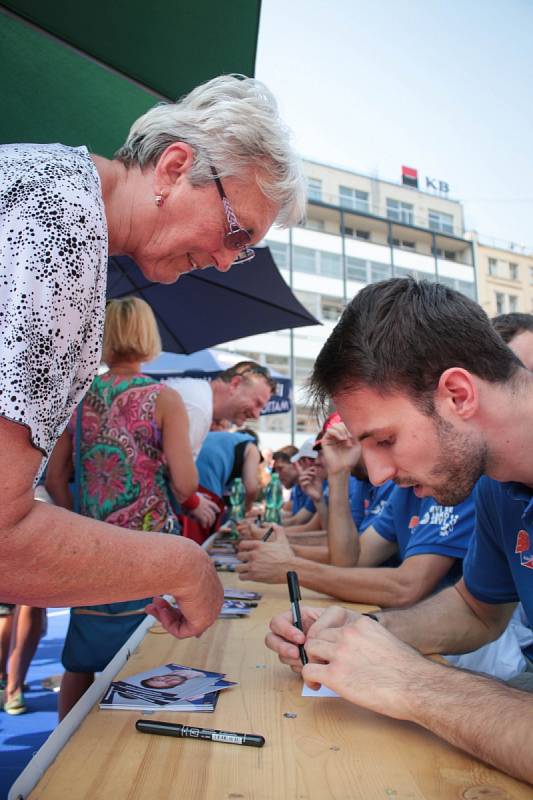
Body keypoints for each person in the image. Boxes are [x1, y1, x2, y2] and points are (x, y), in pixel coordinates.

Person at [1, 74, 305, 636]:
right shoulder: (64, 235)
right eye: (237, 234)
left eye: (241, 253)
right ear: (173, 167)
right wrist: (181, 563)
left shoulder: (45, 175)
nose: (221, 261)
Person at [266, 277, 533, 785]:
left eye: (385, 439)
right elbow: (477, 609)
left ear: (458, 394)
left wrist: (414, 683)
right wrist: (360, 635)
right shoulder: (499, 483)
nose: (381, 474)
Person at [45, 297, 202, 717]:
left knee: (80, 653)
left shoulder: (77, 397)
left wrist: (80, 519)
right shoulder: (164, 398)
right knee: (150, 646)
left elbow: (55, 476)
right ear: (148, 336)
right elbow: (187, 483)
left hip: (91, 545)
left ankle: (63, 744)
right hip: (149, 546)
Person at [165, 361, 274, 527]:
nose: (257, 415)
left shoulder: (199, 398)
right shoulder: (198, 406)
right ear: (235, 384)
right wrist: (193, 502)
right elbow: (172, 469)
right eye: (257, 403)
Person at [186, 430, 261, 543]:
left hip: (185, 480)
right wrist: (247, 509)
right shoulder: (252, 447)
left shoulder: (225, 439)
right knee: (198, 541)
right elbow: (251, 488)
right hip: (206, 485)